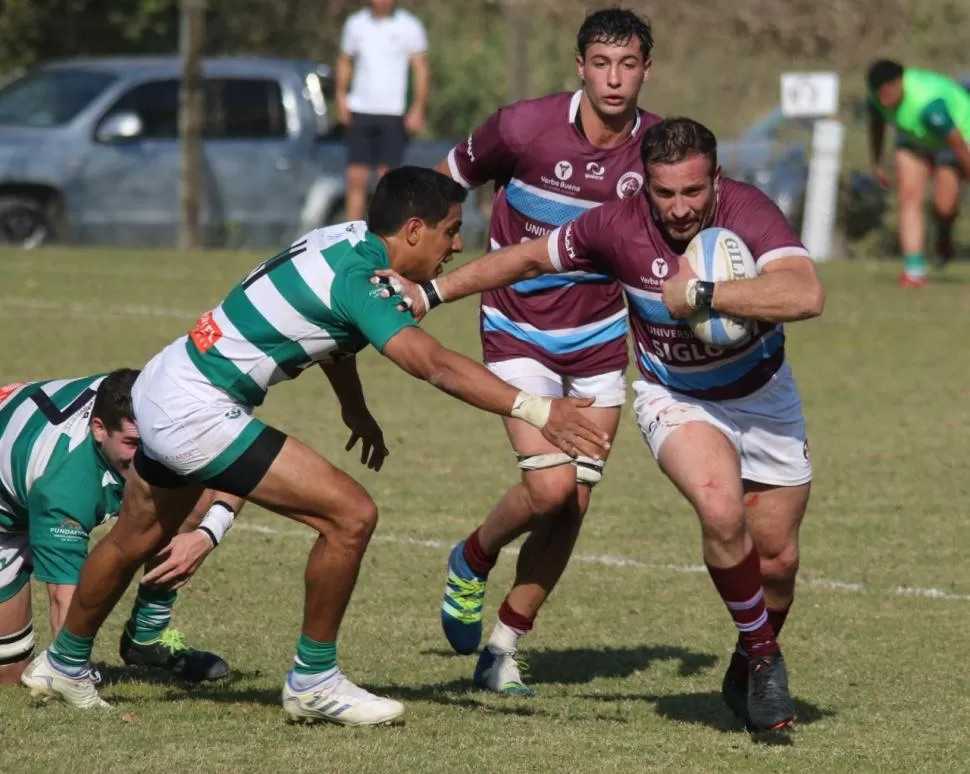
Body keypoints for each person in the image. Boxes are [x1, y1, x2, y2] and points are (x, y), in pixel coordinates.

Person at [20, 167, 610, 726]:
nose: (456, 247)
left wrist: (354, 407)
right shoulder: (359, 278)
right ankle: (314, 682)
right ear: (413, 230)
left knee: (133, 539)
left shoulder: (346, 240)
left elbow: (330, 330)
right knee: (350, 516)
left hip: (164, 379)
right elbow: (429, 363)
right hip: (196, 409)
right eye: (452, 231)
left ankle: (63, 664)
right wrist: (538, 409)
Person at [376, 119, 825, 734]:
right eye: (664, 194)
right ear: (646, 187)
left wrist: (704, 295)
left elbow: (805, 295)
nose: (679, 209)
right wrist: (433, 293)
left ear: (715, 180)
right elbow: (527, 258)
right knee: (720, 510)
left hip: (765, 398)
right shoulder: (617, 224)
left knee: (777, 562)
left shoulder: (750, 210)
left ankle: (747, 655)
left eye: (693, 193)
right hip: (677, 398)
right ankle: (768, 661)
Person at [428, 7, 658, 695]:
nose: (614, 79)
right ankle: (473, 556)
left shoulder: (656, 151)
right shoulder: (522, 126)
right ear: (580, 66)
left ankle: (503, 646)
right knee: (550, 486)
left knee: (574, 503)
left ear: (646, 69)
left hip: (595, 336)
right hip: (516, 324)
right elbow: (444, 183)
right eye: (601, 63)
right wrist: (424, 263)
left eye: (628, 64)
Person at [0, 369, 238, 686]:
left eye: (152, 441)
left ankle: (147, 637)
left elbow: (237, 459)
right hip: (8, 513)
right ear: (99, 429)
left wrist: (207, 534)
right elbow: (64, 598)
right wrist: (71, 671)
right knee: (10, 676)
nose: (145, 456)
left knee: (189, 479)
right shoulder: (64, 489)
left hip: (30, 445)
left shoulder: (164, 408)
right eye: (132, 443)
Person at [867, 59, 970, 287]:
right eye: (879, 94)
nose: (884, 99)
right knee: (909, 197)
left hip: (956, 138)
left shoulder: (929, 105)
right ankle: (914, 272)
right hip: (914, 137)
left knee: (944, 206)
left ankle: (944, 237)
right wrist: (877, 163)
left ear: (899, 82)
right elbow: (877, 125)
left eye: (888, 92)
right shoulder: (876, 98)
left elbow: (957, 144)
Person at [336, 0, 430, 221]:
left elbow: (421, 68)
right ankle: (352, 237)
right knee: (355, 177)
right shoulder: (355, 24)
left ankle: (381, 235)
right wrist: (341, 96)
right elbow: (344, 61)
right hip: (361, 109)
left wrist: (418, 106)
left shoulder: (410, 26)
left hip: (392, 112)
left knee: (386, 179)